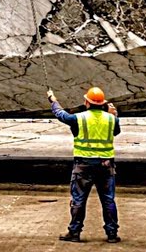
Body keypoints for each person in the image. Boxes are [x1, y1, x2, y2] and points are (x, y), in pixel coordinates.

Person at [48, 87, 121, 244]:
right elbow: (116, 132)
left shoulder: (79, 118)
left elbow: (61, 115)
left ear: (86, 102)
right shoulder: (111, 119)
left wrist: (53, 101)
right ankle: (112, 234)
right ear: (103, 103)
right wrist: (114, 114)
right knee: (108, 200)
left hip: (84, 165)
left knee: (79, 200)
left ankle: (74, 232)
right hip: (106, 165)